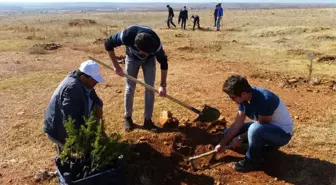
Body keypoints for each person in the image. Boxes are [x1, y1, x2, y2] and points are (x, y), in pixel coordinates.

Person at [215, 75, 293, 172]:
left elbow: (261, 125)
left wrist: (240, 138)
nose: (231, 99)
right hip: (264, 128)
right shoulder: (244, 100)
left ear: (243, 94)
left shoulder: (265, 100)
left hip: (282, 134)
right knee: (228, 133)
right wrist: (222, 144)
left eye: (232, 97)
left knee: (254, 129)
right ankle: (263, 149)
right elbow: (237, 124)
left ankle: (252, 161)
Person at [104, 25, 168, 132]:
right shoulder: (127, 35)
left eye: (148, 52)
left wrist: (163, 85)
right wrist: (116, 66)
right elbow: (108, 44)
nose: (146, 54)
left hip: (149, 62)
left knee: (150, 89)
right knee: (130, 88)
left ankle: (148, 120)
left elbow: (164, 63)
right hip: (132, 58)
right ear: (135, 45)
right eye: (144, 52)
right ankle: (127, 118)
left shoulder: (156, 44)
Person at [44, 60, 104, 153]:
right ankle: (64, 150)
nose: (96, 82)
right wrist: (85, 139)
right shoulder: (72, 89)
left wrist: (99, 104)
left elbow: (93, 95)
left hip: (68, 123)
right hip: (58, 129)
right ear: (83, 77)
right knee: (72, 159)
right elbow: (71, 121)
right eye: (94, 80)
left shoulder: (82, 81)